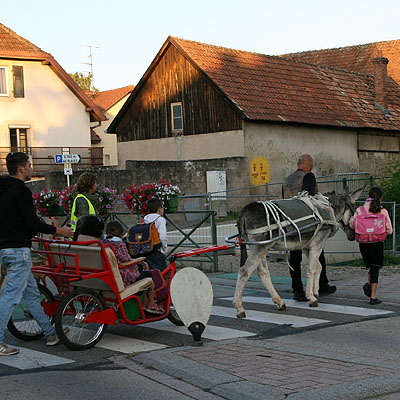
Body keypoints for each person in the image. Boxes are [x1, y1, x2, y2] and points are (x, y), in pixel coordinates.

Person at [0, 152, 73, 356]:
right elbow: (31, 222)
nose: (32, 168)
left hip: (5, 248)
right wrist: (59, 231)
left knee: (31, 294)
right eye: (29, 165)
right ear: (21, 168)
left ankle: (51, 333)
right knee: (10, 298)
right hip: (18, 250)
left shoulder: (3, 190)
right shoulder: (20, 191)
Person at [75, 216, 164, 314]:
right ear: (100, 231)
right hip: (113, 282)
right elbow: (127, 261)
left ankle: (145, 303)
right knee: (147, 275)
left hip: (88, 279)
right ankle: (151, 304)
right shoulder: (107, 246)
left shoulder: (79, 245)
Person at [282, 154, 336, 301]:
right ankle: (322, 285)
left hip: (289, 221)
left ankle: (297, 290)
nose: (312, 166)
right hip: (305, 222)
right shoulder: (308, 176)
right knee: (319, 254)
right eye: (311, 164)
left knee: (294, 258)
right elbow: (310, 195)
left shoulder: (288, 179)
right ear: (307, 164)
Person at [349, 187, 393, 305]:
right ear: (381, 197)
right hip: (377, 243)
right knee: (375, 268)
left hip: (363, 243)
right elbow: (389, 230)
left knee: (371, 267)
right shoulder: (382, 211)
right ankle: (373, 297)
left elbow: (353, 224)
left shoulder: (360, 210)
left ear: (368, 196)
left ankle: (369, 285)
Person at [143, 197, 168, 271]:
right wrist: (164, 250)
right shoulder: (160, 220)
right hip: (156, 252)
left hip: (145, 251)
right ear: (159, 209)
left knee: (151, 274)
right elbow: (163, 237)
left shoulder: (144, 219)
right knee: (163, 274)